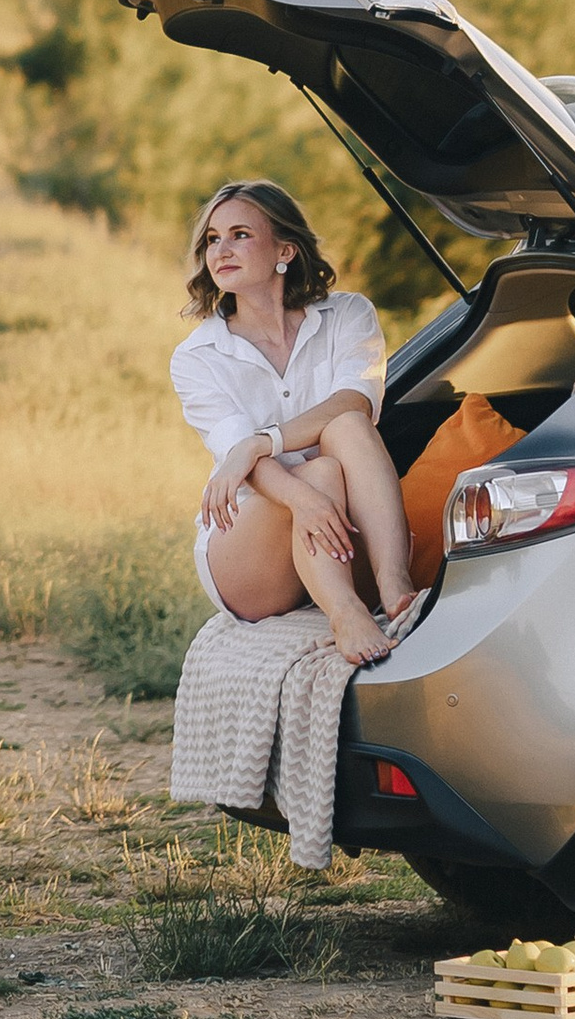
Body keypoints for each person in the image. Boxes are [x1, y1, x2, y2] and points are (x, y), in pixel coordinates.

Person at [169, 179, 415, 667]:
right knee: (319, 473)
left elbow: (354, 401)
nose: (221, 250)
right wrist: (303, 495)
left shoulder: (348, 315)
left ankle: (395, 584)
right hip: (248, 551)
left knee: (348, 426)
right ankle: (345, 613)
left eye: (240, 234)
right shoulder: (197, 356)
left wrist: (262, 442)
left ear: (285, 250)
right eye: (212, 239)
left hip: (343, 536)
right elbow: (245, 467)